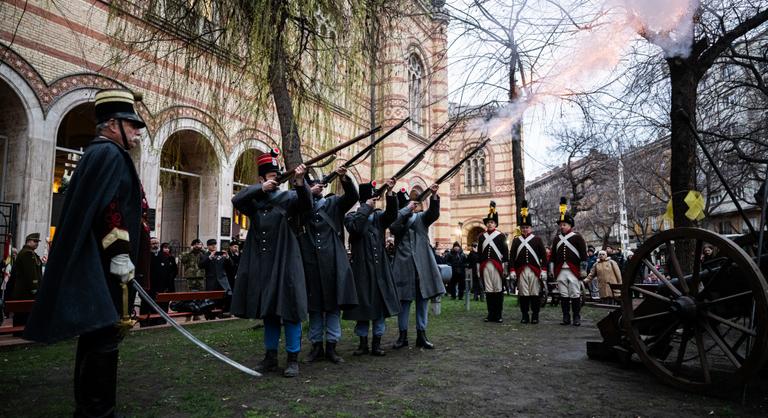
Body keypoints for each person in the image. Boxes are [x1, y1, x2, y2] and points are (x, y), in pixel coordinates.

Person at [24, 89, 151, 416]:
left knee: (98, 339)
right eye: (131, 124)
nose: (137, 131)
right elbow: (110, 209)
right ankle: (97, 410)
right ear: (112, 125)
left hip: (101, 265)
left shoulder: (102, 153)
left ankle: (91, 408)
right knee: (103, 340)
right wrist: (121, 253)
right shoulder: (109, 153)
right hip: (105, 267)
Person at [231, 149, 310, 377]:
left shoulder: (289, 198)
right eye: (270, 175)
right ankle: (270, 357)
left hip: (285, 261)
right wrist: (260, 189)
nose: (274, 178)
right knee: (269, 313)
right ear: (261, 179)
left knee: (291, 311)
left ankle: (293, 358)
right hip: (263, 264)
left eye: (277, 174)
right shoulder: (254, 200)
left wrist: (299, 181)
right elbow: (236, 199)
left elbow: (307, 204)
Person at [299, 167, 358, 364]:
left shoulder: (333, 203)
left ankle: (332, 346)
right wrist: (306, 191)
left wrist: (343, 177)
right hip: (311, 263)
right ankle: (316, 346)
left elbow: (352, 197)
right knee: (314, 307)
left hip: (332, 262)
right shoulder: (301, 204)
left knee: (333, 307)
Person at [342, 179, 401, 357]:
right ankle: (362, 344)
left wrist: (390, 193)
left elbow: (391, 214)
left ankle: (376, 343)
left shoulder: (378, 217)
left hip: (380, 269)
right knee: (362, 310)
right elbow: (357, 229)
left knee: (379, 311)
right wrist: (365, 207)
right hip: (361, 270)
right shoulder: (351, 217)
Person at [390, 186, 445, 350]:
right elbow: (393, 227)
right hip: (403, 267)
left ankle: (422, 334)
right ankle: (403, 336)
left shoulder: (421, 218)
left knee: (423, 302)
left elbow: (433, 214)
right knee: (404, 303)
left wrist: (434, 196)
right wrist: (406, 210)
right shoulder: (398, 220)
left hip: (422, 267)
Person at [550, 197, 588, 326]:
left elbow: (583, 255)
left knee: (575, 294)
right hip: (561, 270)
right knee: (564, 294)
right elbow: (553, 256)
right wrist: (551, 269)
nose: (562, 227)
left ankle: (576, 317)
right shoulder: (556, 239)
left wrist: (583, 270)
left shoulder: (577, 237)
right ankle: (566, 317)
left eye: (564, 224)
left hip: (573, 270)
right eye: (561, 225)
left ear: (570, 225)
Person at [509, 201, 547, 324]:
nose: (525, 229)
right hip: (521, 271)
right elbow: (512, 257)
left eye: (527, 227)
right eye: (523, 227)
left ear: (531, 228)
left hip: (534, 271)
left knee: (535, 293)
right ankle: (525, 315)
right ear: (520, 228)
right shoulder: (516, 241)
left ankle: (535, 316)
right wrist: (512, 270)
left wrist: (544, 270)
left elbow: (543, 256)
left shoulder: (537, 240)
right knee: (524, 294)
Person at [477, 201, 508, 323]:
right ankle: (490, 314)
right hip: (485, 266)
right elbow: (479, 253)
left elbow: (505, 254)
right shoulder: (481, 236)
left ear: (495, 224)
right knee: (489, 291)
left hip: (497, 266)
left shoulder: (500, 236)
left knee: (498, 290)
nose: (489, 224)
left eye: (492, 222)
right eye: (488, 222)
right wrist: (478, 268)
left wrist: (505, 268)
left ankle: (498, 314)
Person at [6, 233, 43, 328]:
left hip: (23, 292)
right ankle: (19, 334)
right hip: (26, 292)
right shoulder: (27, 254)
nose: (37, 244)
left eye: (37, 242)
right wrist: (34, 289)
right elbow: (31, 274)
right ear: (28, 241)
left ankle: (19, 333)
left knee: (22, 316)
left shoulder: (27, 253)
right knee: (23, 316)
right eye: (35, 241)